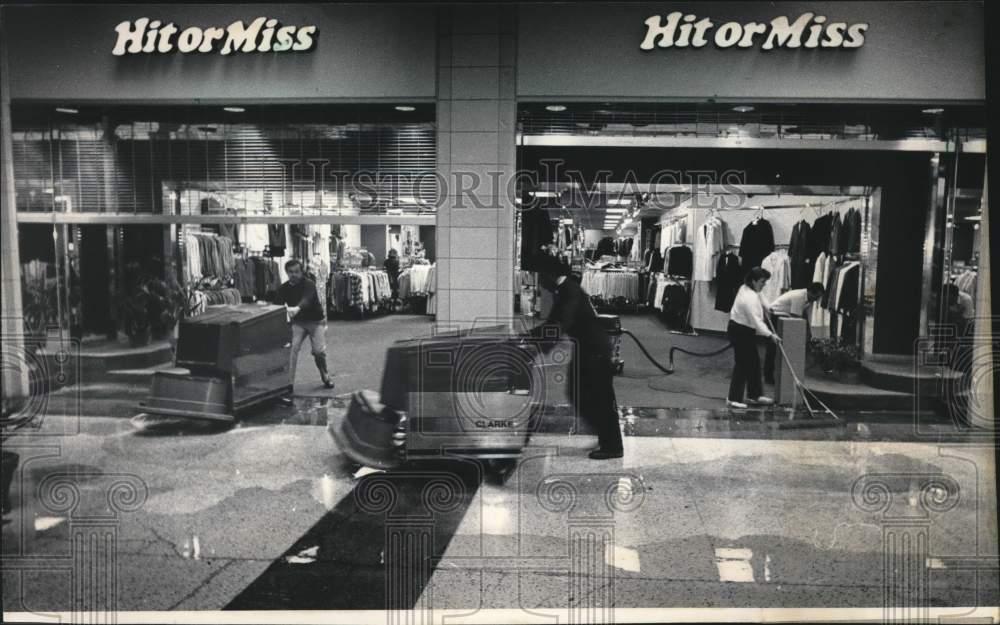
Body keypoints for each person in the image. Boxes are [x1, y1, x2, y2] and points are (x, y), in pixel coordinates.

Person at [527, 251, 624, 460]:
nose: (540, 282)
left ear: (549, 274)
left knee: (597, 398)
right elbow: (553, 323)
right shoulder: (565, 289)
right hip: (587, 348)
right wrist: (529, 336)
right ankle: (607, 437)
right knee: (582, 394)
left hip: (594, 350)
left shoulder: (568, 291)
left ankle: (613, 446)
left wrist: (536, 346)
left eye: (541, 276)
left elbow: (562, 323)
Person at [274, 259, 334, 404]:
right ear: (286, 272)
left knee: (318, 352)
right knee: (292, 350)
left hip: (316, 322)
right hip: (298, 323)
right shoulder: (283, 288)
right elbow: (276, 303)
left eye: (297, 272)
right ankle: (288, 386)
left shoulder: (309, 284)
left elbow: (307, 299)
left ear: (301, 272)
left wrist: (297, 308)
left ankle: (325, 375)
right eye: (290, 272)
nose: (294, 275)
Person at [727, 267, 782, 409]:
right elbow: (757, 321)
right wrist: (770, 335)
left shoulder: (749, 288)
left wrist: (769, 307)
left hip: (745, 330)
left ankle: (755, 395)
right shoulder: (748, 298)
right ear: (754, 281)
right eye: (763, 282)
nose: (764, 284)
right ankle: (733, 398)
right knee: (743, 363)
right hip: (739, 330)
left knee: (754, 362)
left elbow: (761, 296)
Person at [763, 282, 826, 384]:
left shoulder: (808, 298)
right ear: (810, 292)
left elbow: (803, 314)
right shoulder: (799, 297)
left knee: (783, 346)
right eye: (816, 296)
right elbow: (795, 318)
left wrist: (809, 332)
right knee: (773, 348)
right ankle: (768, 376)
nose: (816, 299)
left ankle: (783, 375)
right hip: (773, 316)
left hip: (783, 316)